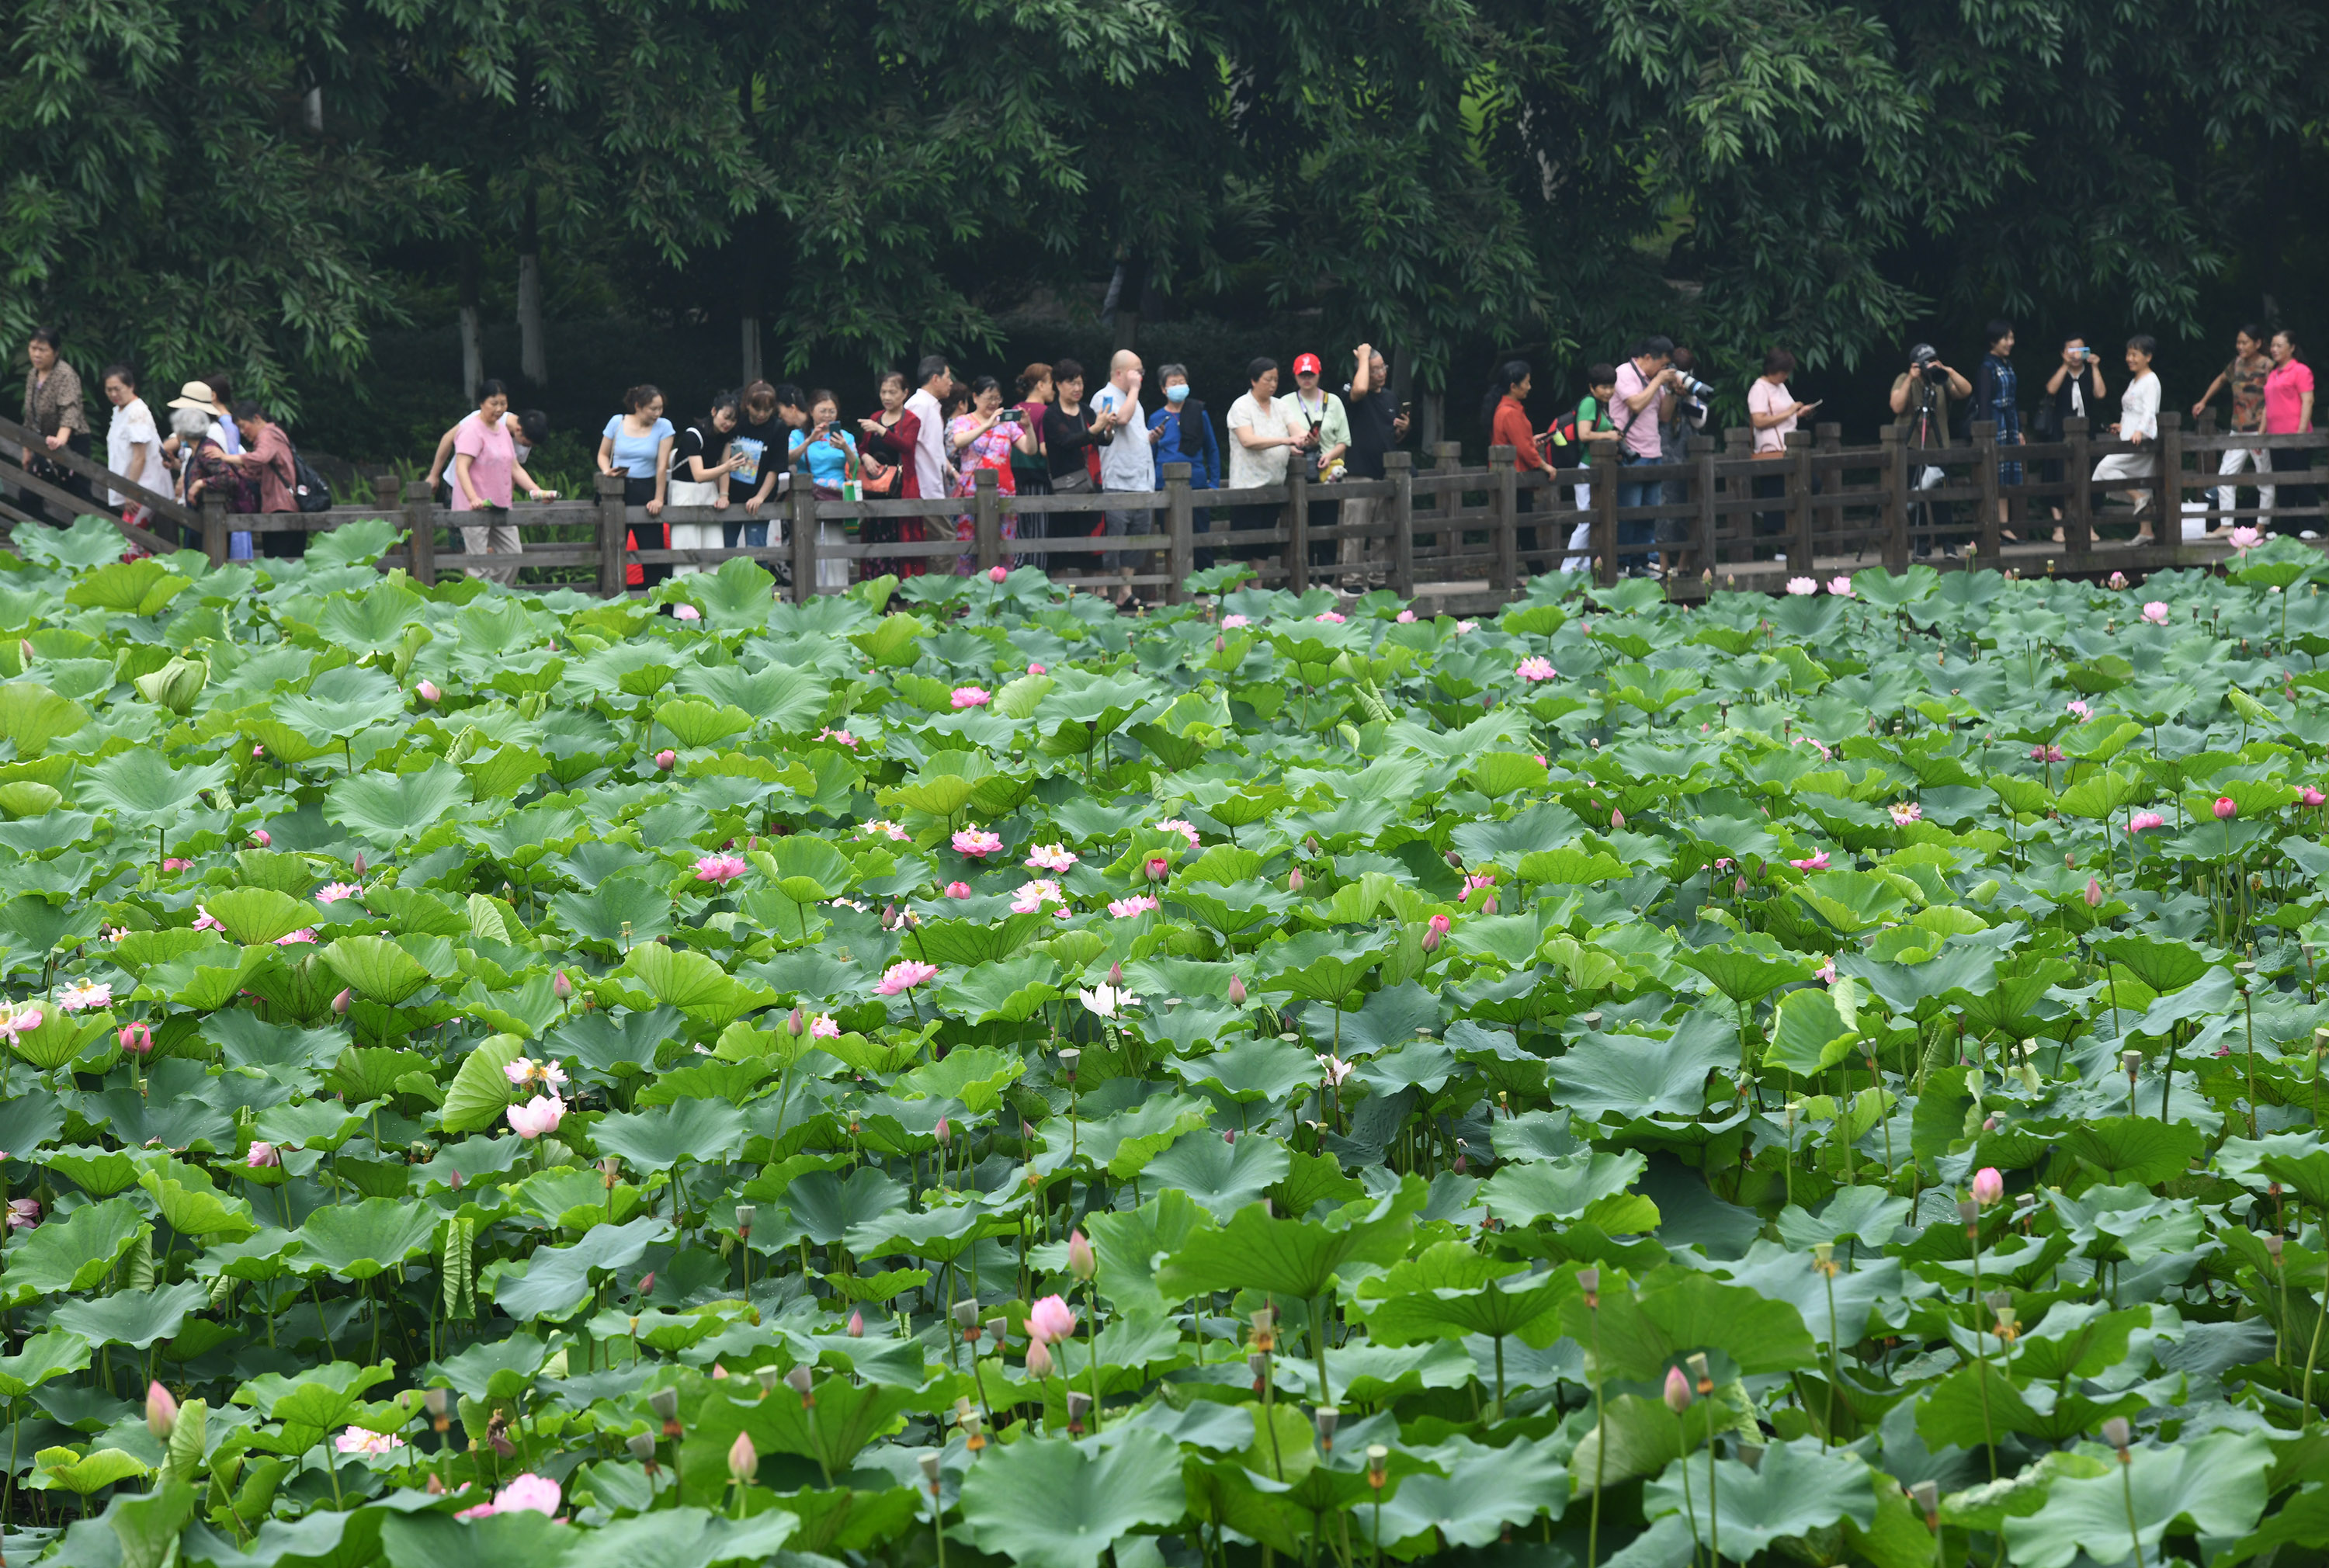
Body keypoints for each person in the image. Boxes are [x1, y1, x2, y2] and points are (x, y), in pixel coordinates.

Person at [451, 379, 550, 584]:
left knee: (513, 555)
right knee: (479, 565)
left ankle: (495, 596)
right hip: (475, 508)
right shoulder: (471, 429)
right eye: (493, 403)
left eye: (503, 404)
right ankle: (481, 605)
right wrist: (473, 498)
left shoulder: (504, 431)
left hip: (501, 506)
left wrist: (537, 491)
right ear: (481, 403)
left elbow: (514, 468)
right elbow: (461, 467)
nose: (499, 409)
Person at [946, 376, 1033, 576]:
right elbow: (958, 441)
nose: (994, 403)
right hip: (971, 494)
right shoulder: (963, 421)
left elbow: (1029, 449)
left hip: (1005, 493)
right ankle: (968, 602)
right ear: (975, 398)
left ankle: (1001, 598)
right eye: (989, 398)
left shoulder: (1008, 425)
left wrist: (1028, 427)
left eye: (997, 398)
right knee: (967, 547)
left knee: (1006, 547)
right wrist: (987, 425)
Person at [1890, 342, 1970, 555]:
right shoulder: (1904, 379)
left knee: (1942, 496)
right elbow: (1896, 406)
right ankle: (1922, 544)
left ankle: (1948, 543)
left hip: (1939, 446)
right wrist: (1910, 378)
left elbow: (1966, 390)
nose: (1930, 366)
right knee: (1916, 497)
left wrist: (1948, 371)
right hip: (1912, 448)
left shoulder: (1940, 381)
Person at [1609, 335, 1678, 573]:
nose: (1664, 370)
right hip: (1631, 455)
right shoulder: (1624, 373)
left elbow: (1665, 416)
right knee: (1629, 513)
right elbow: (1635, 404)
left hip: (1654, 451)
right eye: (1662, 364)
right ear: (1648, 358)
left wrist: (1671, 392)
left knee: (1649, 513)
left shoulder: (1653, 380)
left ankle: (1639, 562)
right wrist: (1658, 380)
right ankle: (1621, 563)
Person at [1340, 343, 1408, 585]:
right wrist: (1364, 356)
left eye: (1382, 368)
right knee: (1356, 530)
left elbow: (1390, 435)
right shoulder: (1353, 391)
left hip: (1386, 472)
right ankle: (1352, 579)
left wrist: (1403, 429)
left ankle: (1379, 577)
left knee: (1383, 530)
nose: (1381, 373)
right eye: (1374, 369)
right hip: (1359, 471)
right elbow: (1359, 389)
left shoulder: (1390, 396)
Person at [2194, 324, 2274, 528]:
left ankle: (2262, 525)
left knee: (2264, 478)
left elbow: (2277, 396)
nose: (2240, 346)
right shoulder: (2236, 364)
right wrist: (2204, 400)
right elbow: (2221, 380)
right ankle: (2227, 525)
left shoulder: (2268, 366)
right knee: (2225, 476)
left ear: (2257, 343)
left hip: (2259, 429)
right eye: (2238, 342)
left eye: (2244, 342)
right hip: (2237, 429)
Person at [1279, 351, 1348, 572]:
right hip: (1297, 471)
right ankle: (1301, 576)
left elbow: (1344, 440)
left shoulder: (1334, 401)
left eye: (1311, 374)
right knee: (1299, 525)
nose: (1307, 378)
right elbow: (1279, 436)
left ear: (1319, 374)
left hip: (1327, 471)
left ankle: (1327, 578)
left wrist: (1330, 455)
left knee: (1327, 525)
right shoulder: (1284, 403)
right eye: (1302, 374)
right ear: (1295, 376)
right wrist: (1292, 447)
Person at [599, 384, 675, 588]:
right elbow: (603, 454)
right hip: (618, 488)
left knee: (652, 551)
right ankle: (610, 598)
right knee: (611, 547)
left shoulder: (664, 427)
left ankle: (659, 607)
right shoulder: (617, 422)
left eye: (660, 408)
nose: (658, 413)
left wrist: (659, 498)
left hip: (646, 489)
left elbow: (662, 466)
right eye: (653, 408)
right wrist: (608, 472)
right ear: (638, 406)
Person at [858, 371, 929, 579]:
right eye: (883, 392)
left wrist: (881, 431)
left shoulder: (912, 421)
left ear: (905, 393)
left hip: (901, 489)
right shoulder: (874, 418)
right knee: (874, 540)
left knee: (903, 540)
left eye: (892, 392)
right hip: (875, 491)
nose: (887, 397)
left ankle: (902, 595)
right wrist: (865, 458)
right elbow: (862, 448)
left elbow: (907, 446)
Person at [1151, 363, 1221, 571]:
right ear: (1164, 389)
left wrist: (1214, 483)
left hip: (1196, 482)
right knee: (1170, 535)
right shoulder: (1156, 418)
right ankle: (1177, 584)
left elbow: (1212, 449)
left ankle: (1207, 584)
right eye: (1174, 383)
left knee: (1201, 536)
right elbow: (1150, 454)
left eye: (1182, 382)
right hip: (1164, 484)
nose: (1179, 386)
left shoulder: (1199, 412)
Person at [1484, 359, 1552, 572]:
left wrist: (1532, 441)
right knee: (1520, 529)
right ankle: (1536, 574)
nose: (1529, 387)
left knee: (1519, 529)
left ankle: (1533, 574)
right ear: (1514, 386)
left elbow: (1520, 442)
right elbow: (1522, 448)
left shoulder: (1506, 409)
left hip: (1512, 477)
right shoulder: (1509, 412)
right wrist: (1544, 465)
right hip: (1515, 479)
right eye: (1527, 383)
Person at [1225, 358, 1297, 559]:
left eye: (1276, 379)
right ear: (1254, 381)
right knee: (1242, 545)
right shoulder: (1241, 406)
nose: (1273, 384)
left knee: (1264, 545)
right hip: (1247, 486)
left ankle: (1258, 588)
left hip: (1274, 484)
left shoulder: (1281, 406)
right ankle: (1239, 590)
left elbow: (1298, 432)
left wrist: (1306, 439)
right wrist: (1286, 440)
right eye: (1268, 380)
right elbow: (1248, 440)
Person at [2091, 335, 2161, 542]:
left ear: (2148, 357)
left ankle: (2140, 498)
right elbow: (2134, 411)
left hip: (2140, 438)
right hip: (2130, 435)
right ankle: (2146, 531)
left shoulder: (2151, 380)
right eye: (2128, 354)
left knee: (2104, 469)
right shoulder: (2135, 380)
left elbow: (2149, 411)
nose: (2129, 358)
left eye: (2135, 354)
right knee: (2141, 482)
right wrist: (2123, 426)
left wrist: (2140, 430)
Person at [789, 390, 859, 590]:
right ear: (811, 411)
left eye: (832, 411)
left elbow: (855, 466)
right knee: (810, 550)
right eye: (822, 411)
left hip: (838, 502)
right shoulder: (798, 435)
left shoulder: (846, 436)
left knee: (837, 550)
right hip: (808, 500)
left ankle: (839, 596)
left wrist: (845, 448)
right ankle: (813, 597)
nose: (827, 416)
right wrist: (809, 441)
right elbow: (788, 459)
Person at [19, 327, 91, 522]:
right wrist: (27, 449)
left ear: (56, 351)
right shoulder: (33, 375)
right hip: (44, 441)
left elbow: (70, 410)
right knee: (28, 495)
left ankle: (89, 544)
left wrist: (61, 440)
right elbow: (30, 413)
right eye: (33, 348)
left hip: (72, 440)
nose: (36, 354)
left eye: (43, 349)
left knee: (78, 497)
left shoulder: (65, 374)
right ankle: (42, 538)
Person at [1042, 357, 1106, 574]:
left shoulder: (1087, 411)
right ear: (1058, 384)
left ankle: (1091, 602)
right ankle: (1061, 604)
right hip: (1065, 488)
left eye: (1080, 383)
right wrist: (1095, 430)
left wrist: (1108, 428)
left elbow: (1104, 440)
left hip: (1091, 487)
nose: (1078, 388)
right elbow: (1067, 441)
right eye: (1072, 383)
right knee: (1062, 552)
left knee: (1092, 552)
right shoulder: (1051, 415)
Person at [667, 390, 740, 578]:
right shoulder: (693, 434)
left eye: (733, 420)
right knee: (686, 554)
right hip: (684, 492)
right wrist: (727, 467)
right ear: (714, 411)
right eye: (726, 417)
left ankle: (712, 605)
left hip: (710, 493)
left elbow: (724, 466)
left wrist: (724, 495)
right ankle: (683, 607)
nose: (728, 423)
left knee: (714, 555)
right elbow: (698, 474)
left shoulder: (726, 437)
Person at [1748, 349, 1815, 551]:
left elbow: (1786, 415)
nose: (1786, 376)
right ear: (1773, 369)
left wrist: (1798, 413)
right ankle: (1782, 548)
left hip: (1789, 447)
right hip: (1772, 450)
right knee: (1778, 497)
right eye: (1783, 371)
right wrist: (1790, 411)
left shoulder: (1781, 387)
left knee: (1807, 487)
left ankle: (1793, 544)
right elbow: (1758, 421)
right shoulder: (1759, 389)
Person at [2038, 336, 2106, 528]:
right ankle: (2059, 526)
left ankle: (2088, 525)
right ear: (2063, 353)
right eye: (2071, 350)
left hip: (2086, 432)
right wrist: (2065, 365)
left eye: (2080, 350)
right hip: (2060, 432)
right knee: (2058, 474)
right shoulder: (2059, 372)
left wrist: (2095, 367)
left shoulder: (2089, 373)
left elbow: (2100, 394)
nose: (2076, 354)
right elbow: (2051, 390)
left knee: (2089, 474)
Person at [1656, 346, 1712, 571]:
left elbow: (1700, 422)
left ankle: (1683, 566)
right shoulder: (1658, 385)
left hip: (1689, 454)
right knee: (1662, 510)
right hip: (1663, 453)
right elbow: (1661, 416)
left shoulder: (1693, 388)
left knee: (1690, 506)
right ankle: (1662, 566)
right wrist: (1670, 390)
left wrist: (1688, 394)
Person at [167, 403, 253, 536]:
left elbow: (229, 477)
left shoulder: (206, 451)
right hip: (199, 520)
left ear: (184, 432)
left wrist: (200, 484)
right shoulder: (195, 451)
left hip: (212, 524)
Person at [1973, 321, 2024, 533]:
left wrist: (2019, 429)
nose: (2010, 343)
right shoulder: (1987, 367)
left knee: (2006, 474)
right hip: (1995, 424)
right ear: (1994, 340)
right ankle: (1996, 526)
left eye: (2012, 338)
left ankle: (2004, 525)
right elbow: (1983, 401)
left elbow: (2013, 400)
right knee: (1994, 473)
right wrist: (1987, 433)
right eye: (2006, 338)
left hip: (2010, 424)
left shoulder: (2007, 365)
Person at [233, 401, 300, 557]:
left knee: (278, 560)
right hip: (285, 506)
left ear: (256, 418)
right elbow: (258, 472)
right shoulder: (274, 433)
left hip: (281, 507)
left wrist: (227, 458)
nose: (243, 432)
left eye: (243, 426)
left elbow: (261, 457)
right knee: (289, 559)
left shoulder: (267, 434)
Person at [100, 365, 163, 530]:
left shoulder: (137, 412)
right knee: (135, 542)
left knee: (130, 542)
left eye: (117, 389)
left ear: (131, 386)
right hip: (133, 487)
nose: (113, 394)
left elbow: (139, 456)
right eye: (109, 390)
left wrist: (132, 491)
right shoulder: (120, 411)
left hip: (143, 487)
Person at [2265, 328, 2316, 529]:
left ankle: (2313, 526)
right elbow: (2268, 404)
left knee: (2301, 481)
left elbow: (2308, 400)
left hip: (2295, 434)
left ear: (2292, 348)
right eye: (2273, 345)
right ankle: (2287, 528)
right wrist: (2261, 435)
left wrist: (2301, 434)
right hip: (2275, 437)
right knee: (2282, 483)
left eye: (2279, 345)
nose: (2274, 349)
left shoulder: (2301, 371)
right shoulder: (2273, 373)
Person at [727, 381, 784, 549]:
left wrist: (760, 497)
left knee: (757, 552)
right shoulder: (736, 422)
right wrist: (723, 494)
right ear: (747, 404)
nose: (762, 414)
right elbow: (723, 457)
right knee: (725, 550)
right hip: (730, 498)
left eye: (767, 410)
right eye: (757, 409)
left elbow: (775, 468)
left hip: (760, 500)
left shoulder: (778, 428)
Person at [904, 356, 953, 541]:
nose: (951, 383)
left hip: (933, 488)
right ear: (935, 379)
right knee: (945, 544)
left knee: (940, 544)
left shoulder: (929, 405)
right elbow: (906, 447)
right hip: (924, 489)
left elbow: (933, 450)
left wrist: (953, 473)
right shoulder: (919, 405)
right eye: (947, 377)